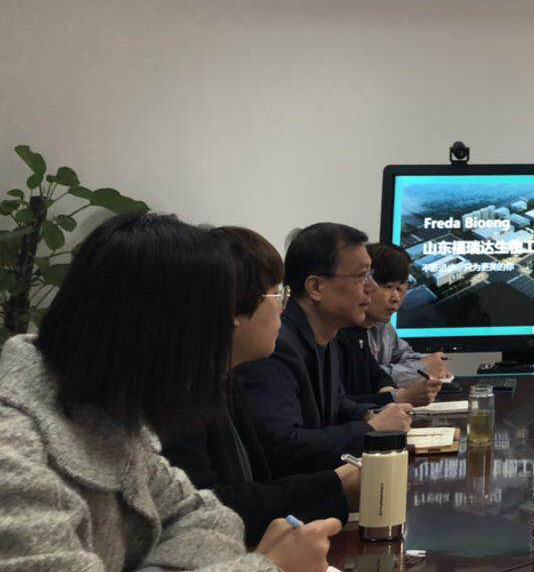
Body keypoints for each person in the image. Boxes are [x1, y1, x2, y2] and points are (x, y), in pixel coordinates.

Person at [0, 212, 339, 572]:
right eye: (215, 322)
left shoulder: (110, 418)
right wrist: (268, 567)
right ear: (161, 329)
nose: (221, 342)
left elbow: (208, 516)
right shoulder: (13, 457)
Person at [162, 227, 359, 546]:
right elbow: (213, 508)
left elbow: (256, 481)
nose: (283, 307)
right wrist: (336, 483)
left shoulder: (220, 379)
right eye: (276, 294)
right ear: (232, 308)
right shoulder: (174, 396)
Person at [235, 222, 412, 475]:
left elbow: (336, 405)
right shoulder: (275, 346)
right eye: (362, 276)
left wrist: (371, 414)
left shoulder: (327, 335)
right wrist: (371, 430)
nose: (372, 287)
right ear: (316, 287)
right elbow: (283, 447)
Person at [337, 242, 451, 398]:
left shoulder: (382, 325)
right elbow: (365, 380)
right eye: (388, 287)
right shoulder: (343, 329)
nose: (395, 298)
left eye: (400, 288)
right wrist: (423, 368)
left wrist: (432, 362)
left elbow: (402, 357)